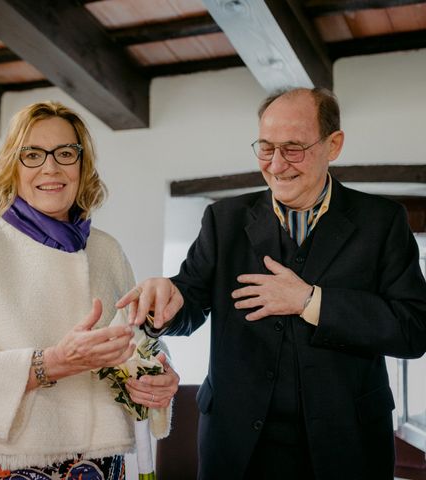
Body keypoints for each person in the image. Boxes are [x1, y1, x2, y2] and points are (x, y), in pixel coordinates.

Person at [118, 87, 426, 480]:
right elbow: (189, 299)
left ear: (334, 145)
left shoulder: (382, 222)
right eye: (266, 148)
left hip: (347, 444)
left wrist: (310, 301)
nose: (277, 165)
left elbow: (414, 328)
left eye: (294, 148)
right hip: (236, 448)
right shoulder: (223, 220)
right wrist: (166, 302)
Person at [0, 101, 178, 480]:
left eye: (65, 153)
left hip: (96, 461)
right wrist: (54, 361)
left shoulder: (105, 249)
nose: (50, 167)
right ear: (13, 166)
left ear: (82, 164)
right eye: (33, 154)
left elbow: (133, 340)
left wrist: (156, 374)